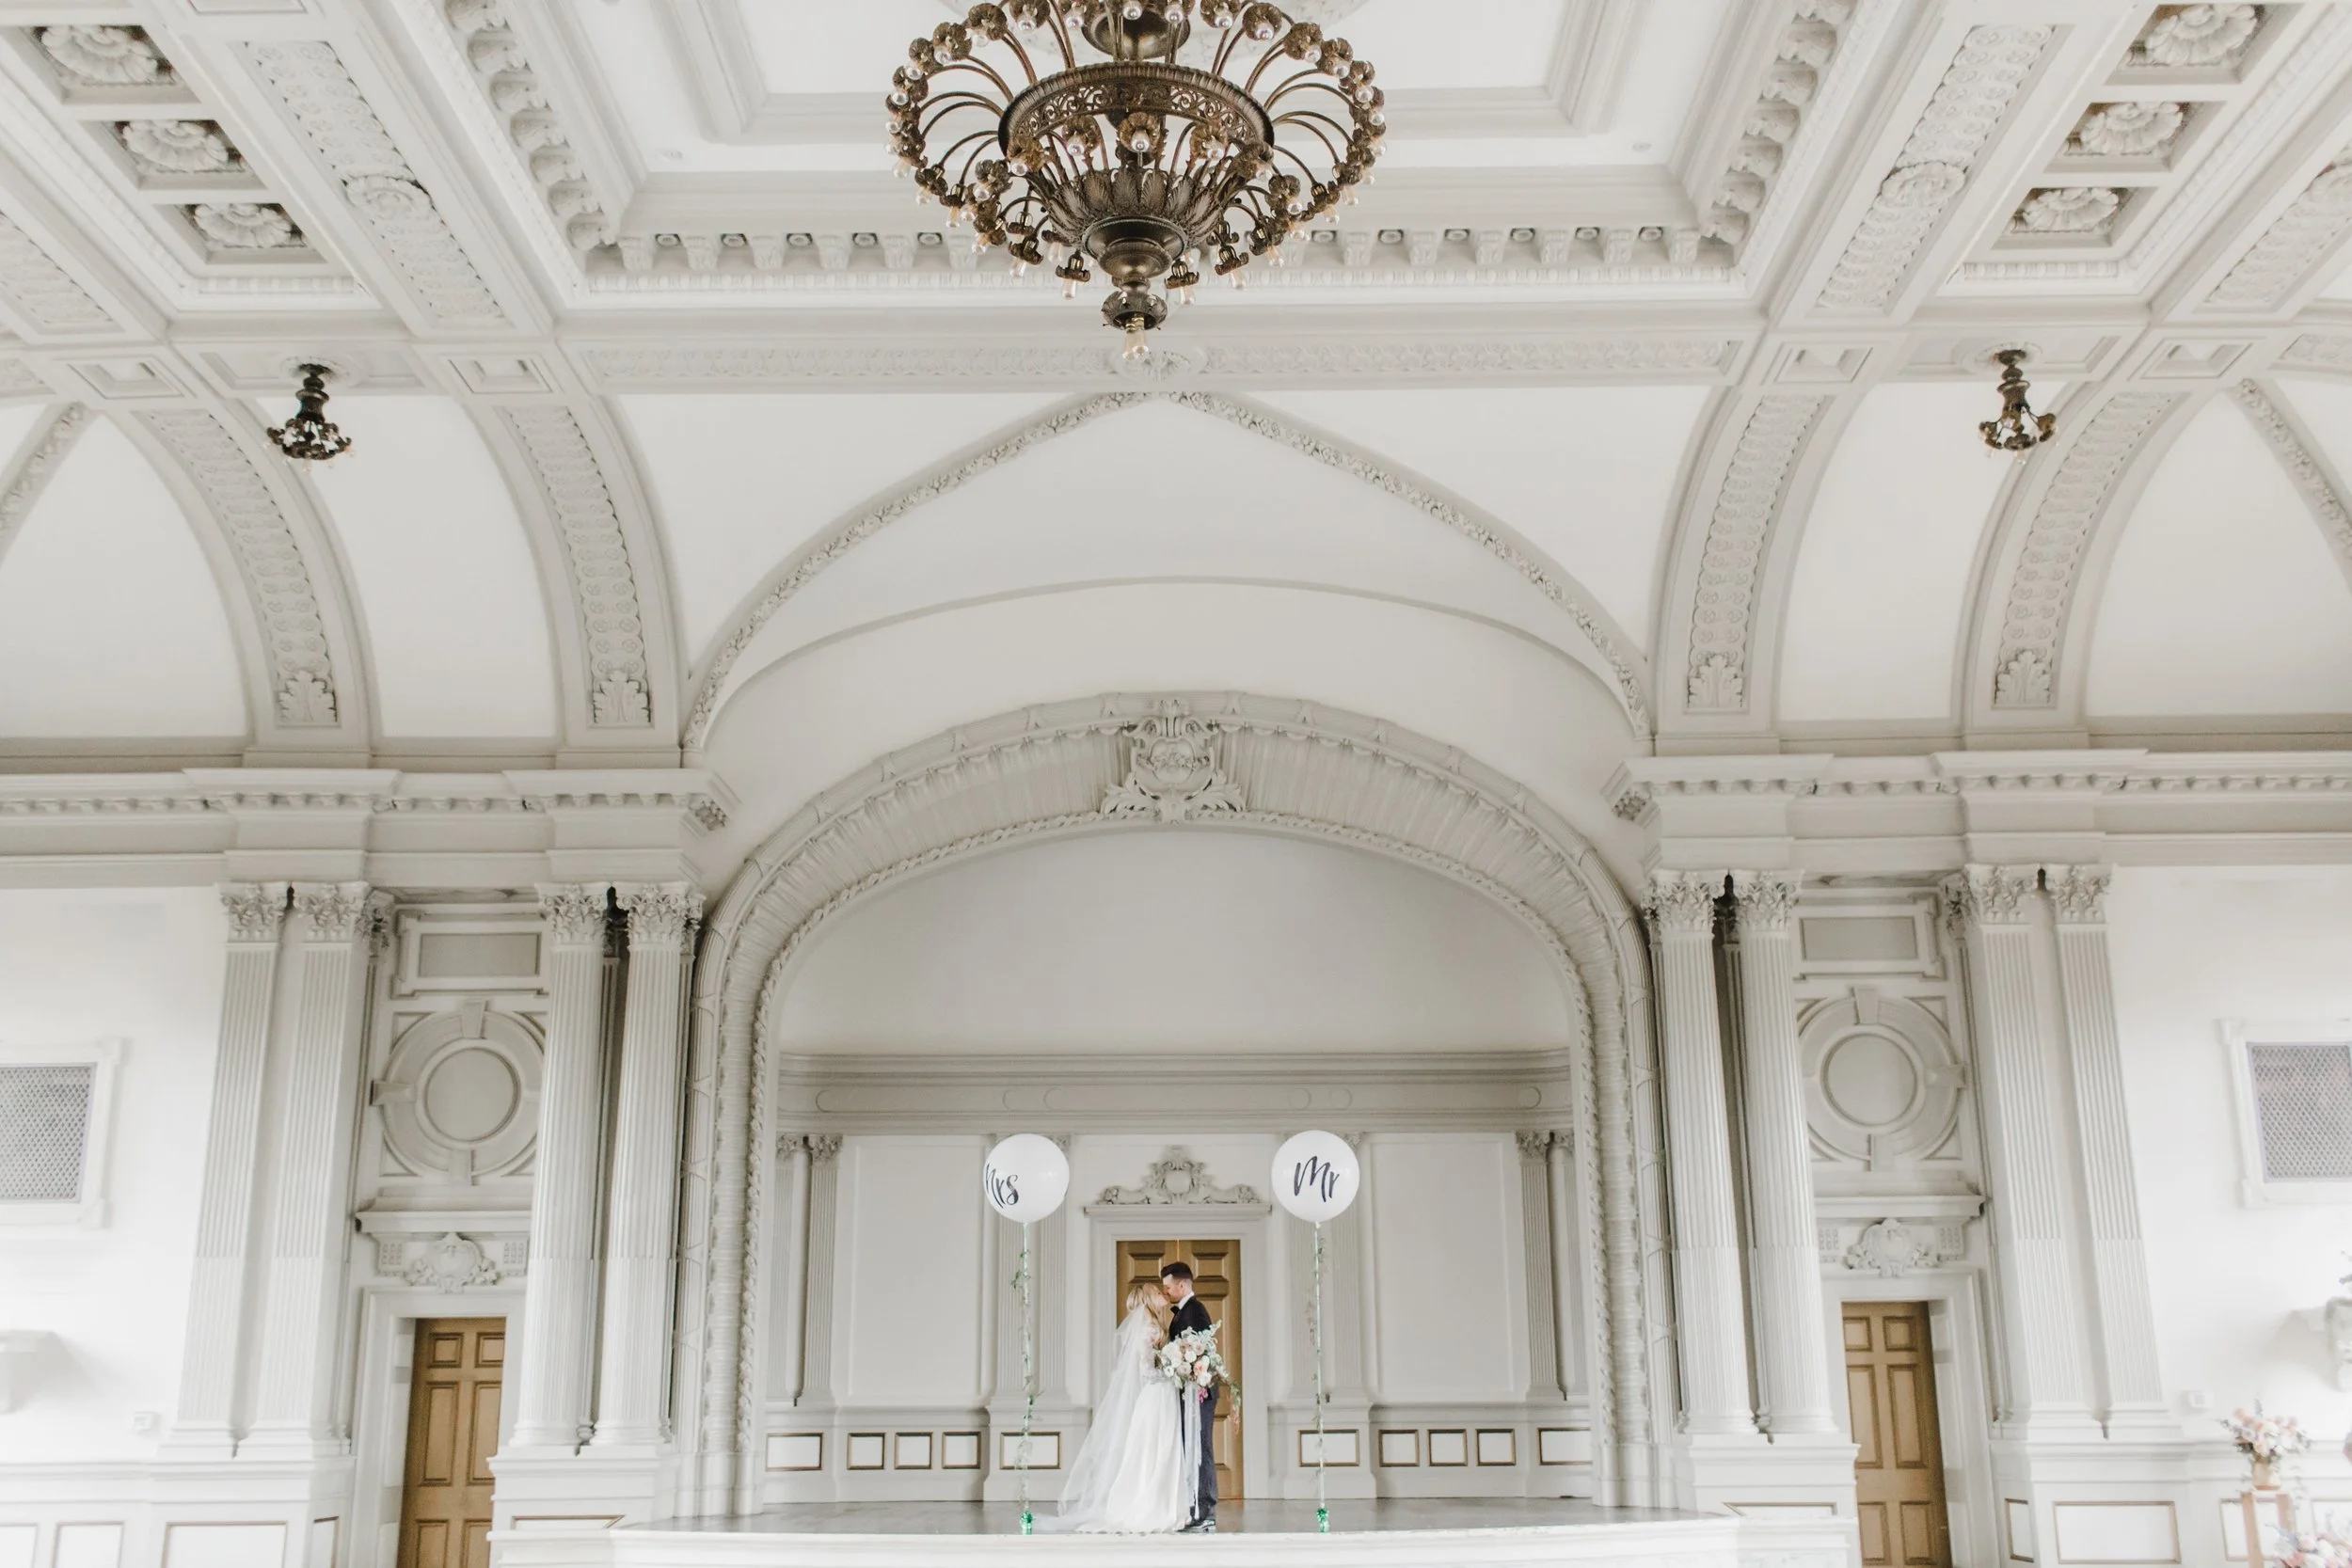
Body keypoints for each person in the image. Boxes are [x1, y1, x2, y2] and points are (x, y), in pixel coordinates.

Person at [1043, 1282, 1194, 1533]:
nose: (1163, 1295)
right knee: (1153, 1451)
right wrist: (1174, 1368)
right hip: (1157, 1396)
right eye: (1158, 1293)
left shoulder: (1154, 1324)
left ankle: (1165, 1504)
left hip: (1161, 1396)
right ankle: (1151, 1507)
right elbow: (1146, 1370)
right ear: (1148, 1298)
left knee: (1160, 1450)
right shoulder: (1147, 1327)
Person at [1161, 1261, 1217, 1532]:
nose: (1166, 1291)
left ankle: (1205, 1512)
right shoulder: (1183, 1312)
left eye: (1168, 1287)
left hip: (1200, 1393)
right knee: (1190, 1448)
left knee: (1201, 1448)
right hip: (1189, 1391)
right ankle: (1194, 1509)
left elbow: (1200, 1350)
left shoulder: (1195, 1311)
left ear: (1181, 1285)